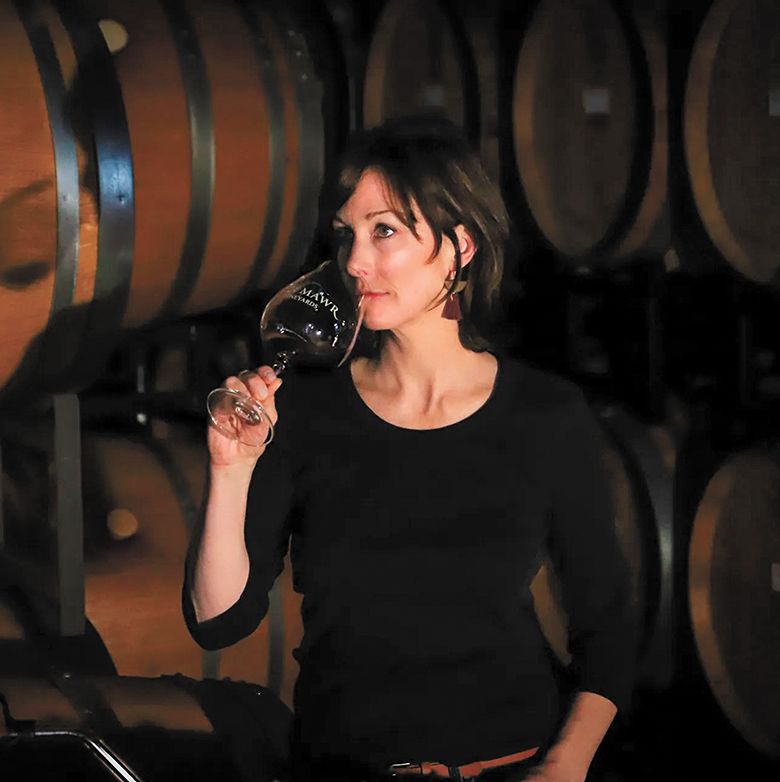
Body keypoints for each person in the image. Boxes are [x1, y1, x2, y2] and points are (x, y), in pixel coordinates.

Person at [182, 116, 636, 782]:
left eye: (384, 231)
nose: (355, 261)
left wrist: (567, 765)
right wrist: (231, 469)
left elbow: (608, 624)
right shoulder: (307, 411)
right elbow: (218, 622)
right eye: (346, 235)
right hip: (340, 768)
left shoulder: (545, 417)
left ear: (463, 246)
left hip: (506, 765)